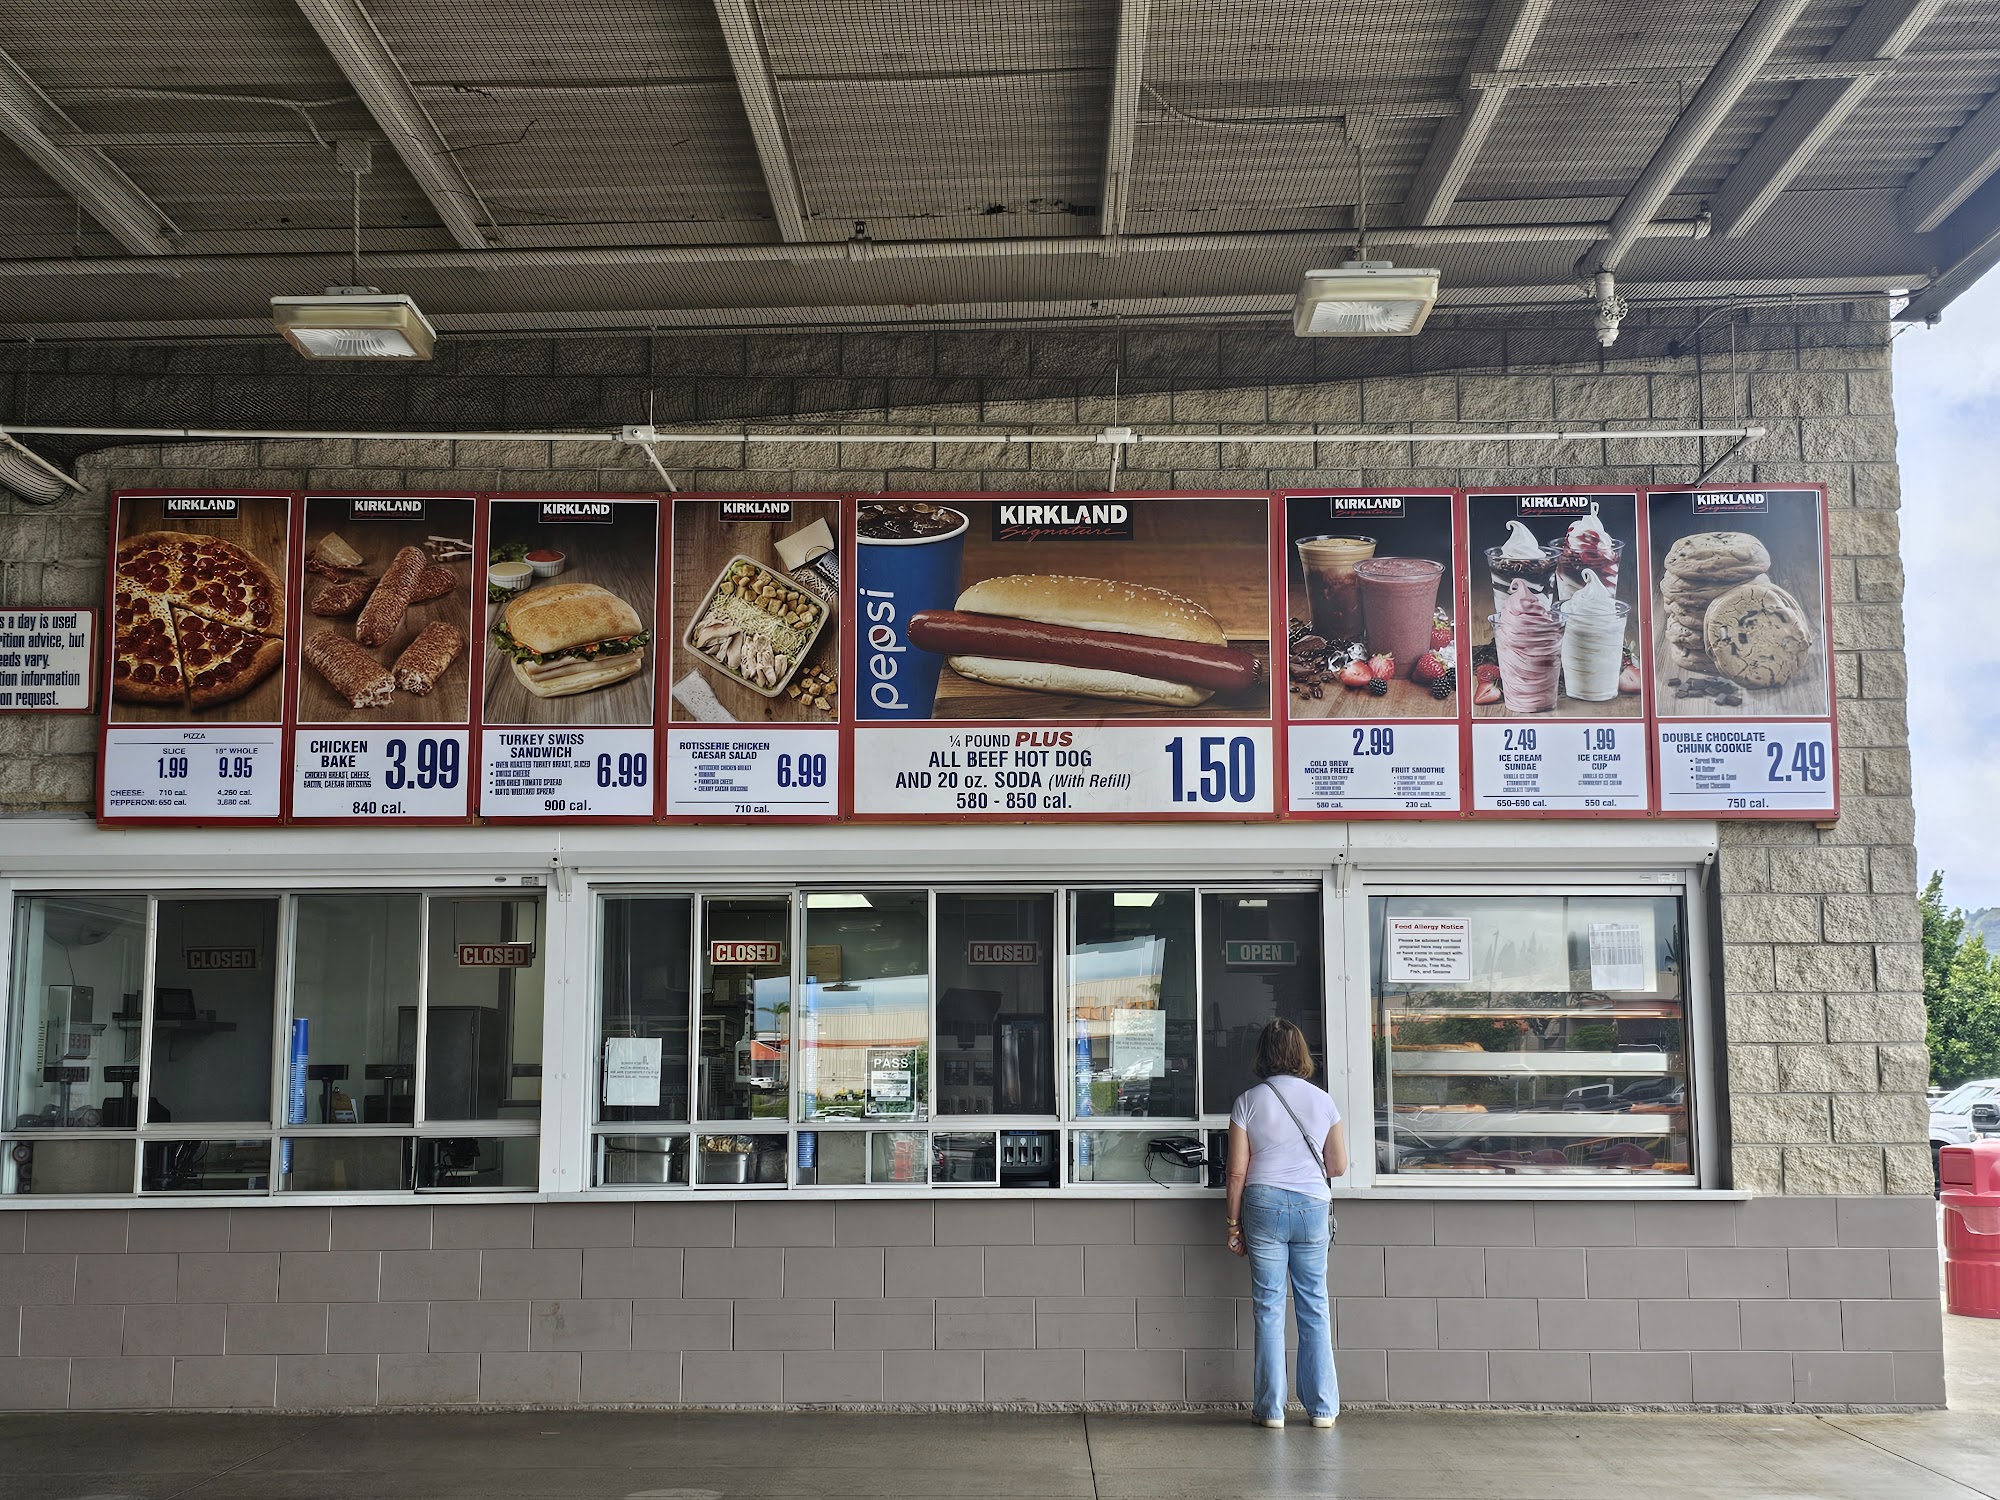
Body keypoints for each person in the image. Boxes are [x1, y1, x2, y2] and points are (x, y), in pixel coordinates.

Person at [1225, 1017, 1347, 1430]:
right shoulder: (1324, 1101)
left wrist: (1233, 1224)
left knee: (1268, 1307)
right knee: (1314, 1305)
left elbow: (1236, 1172)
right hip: (1312, 1205)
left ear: (1263, 1053)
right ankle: (1323, 1409)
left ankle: (1271, 1410)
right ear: (1301, 1054)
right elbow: (1338, 1166)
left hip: (1263, 1204)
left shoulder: (1247, 1101)